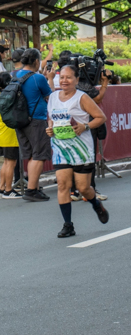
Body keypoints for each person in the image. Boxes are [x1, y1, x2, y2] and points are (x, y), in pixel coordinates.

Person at [46, 65, 109, 237]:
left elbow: (101, 117)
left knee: (83, 188)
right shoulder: (52, 97)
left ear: (76, 80)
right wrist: (50, 128)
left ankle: (96, 204)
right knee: (63, 185)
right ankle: (68, 225)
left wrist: (85, 126)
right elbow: (51, 117)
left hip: (81, 148)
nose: (64, 81)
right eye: (62, 77)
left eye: (68, 77)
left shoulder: (82, 97)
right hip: (60, 147)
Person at [14, 48, 55, 202]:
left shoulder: (14, 75)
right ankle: (32, 190)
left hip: (20, 120)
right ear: (37, 61)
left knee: (30, 155)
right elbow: (50, 97)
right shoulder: (38, 78)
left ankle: (34, 187)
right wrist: (49, 78)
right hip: (36, 120)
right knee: (39, 155)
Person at [0, 72, 20, 198]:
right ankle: (8, 190)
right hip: (10, 133)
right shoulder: (7, 97)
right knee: (11, 163)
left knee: (6, 162)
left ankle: (1, 187)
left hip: (2, 132)